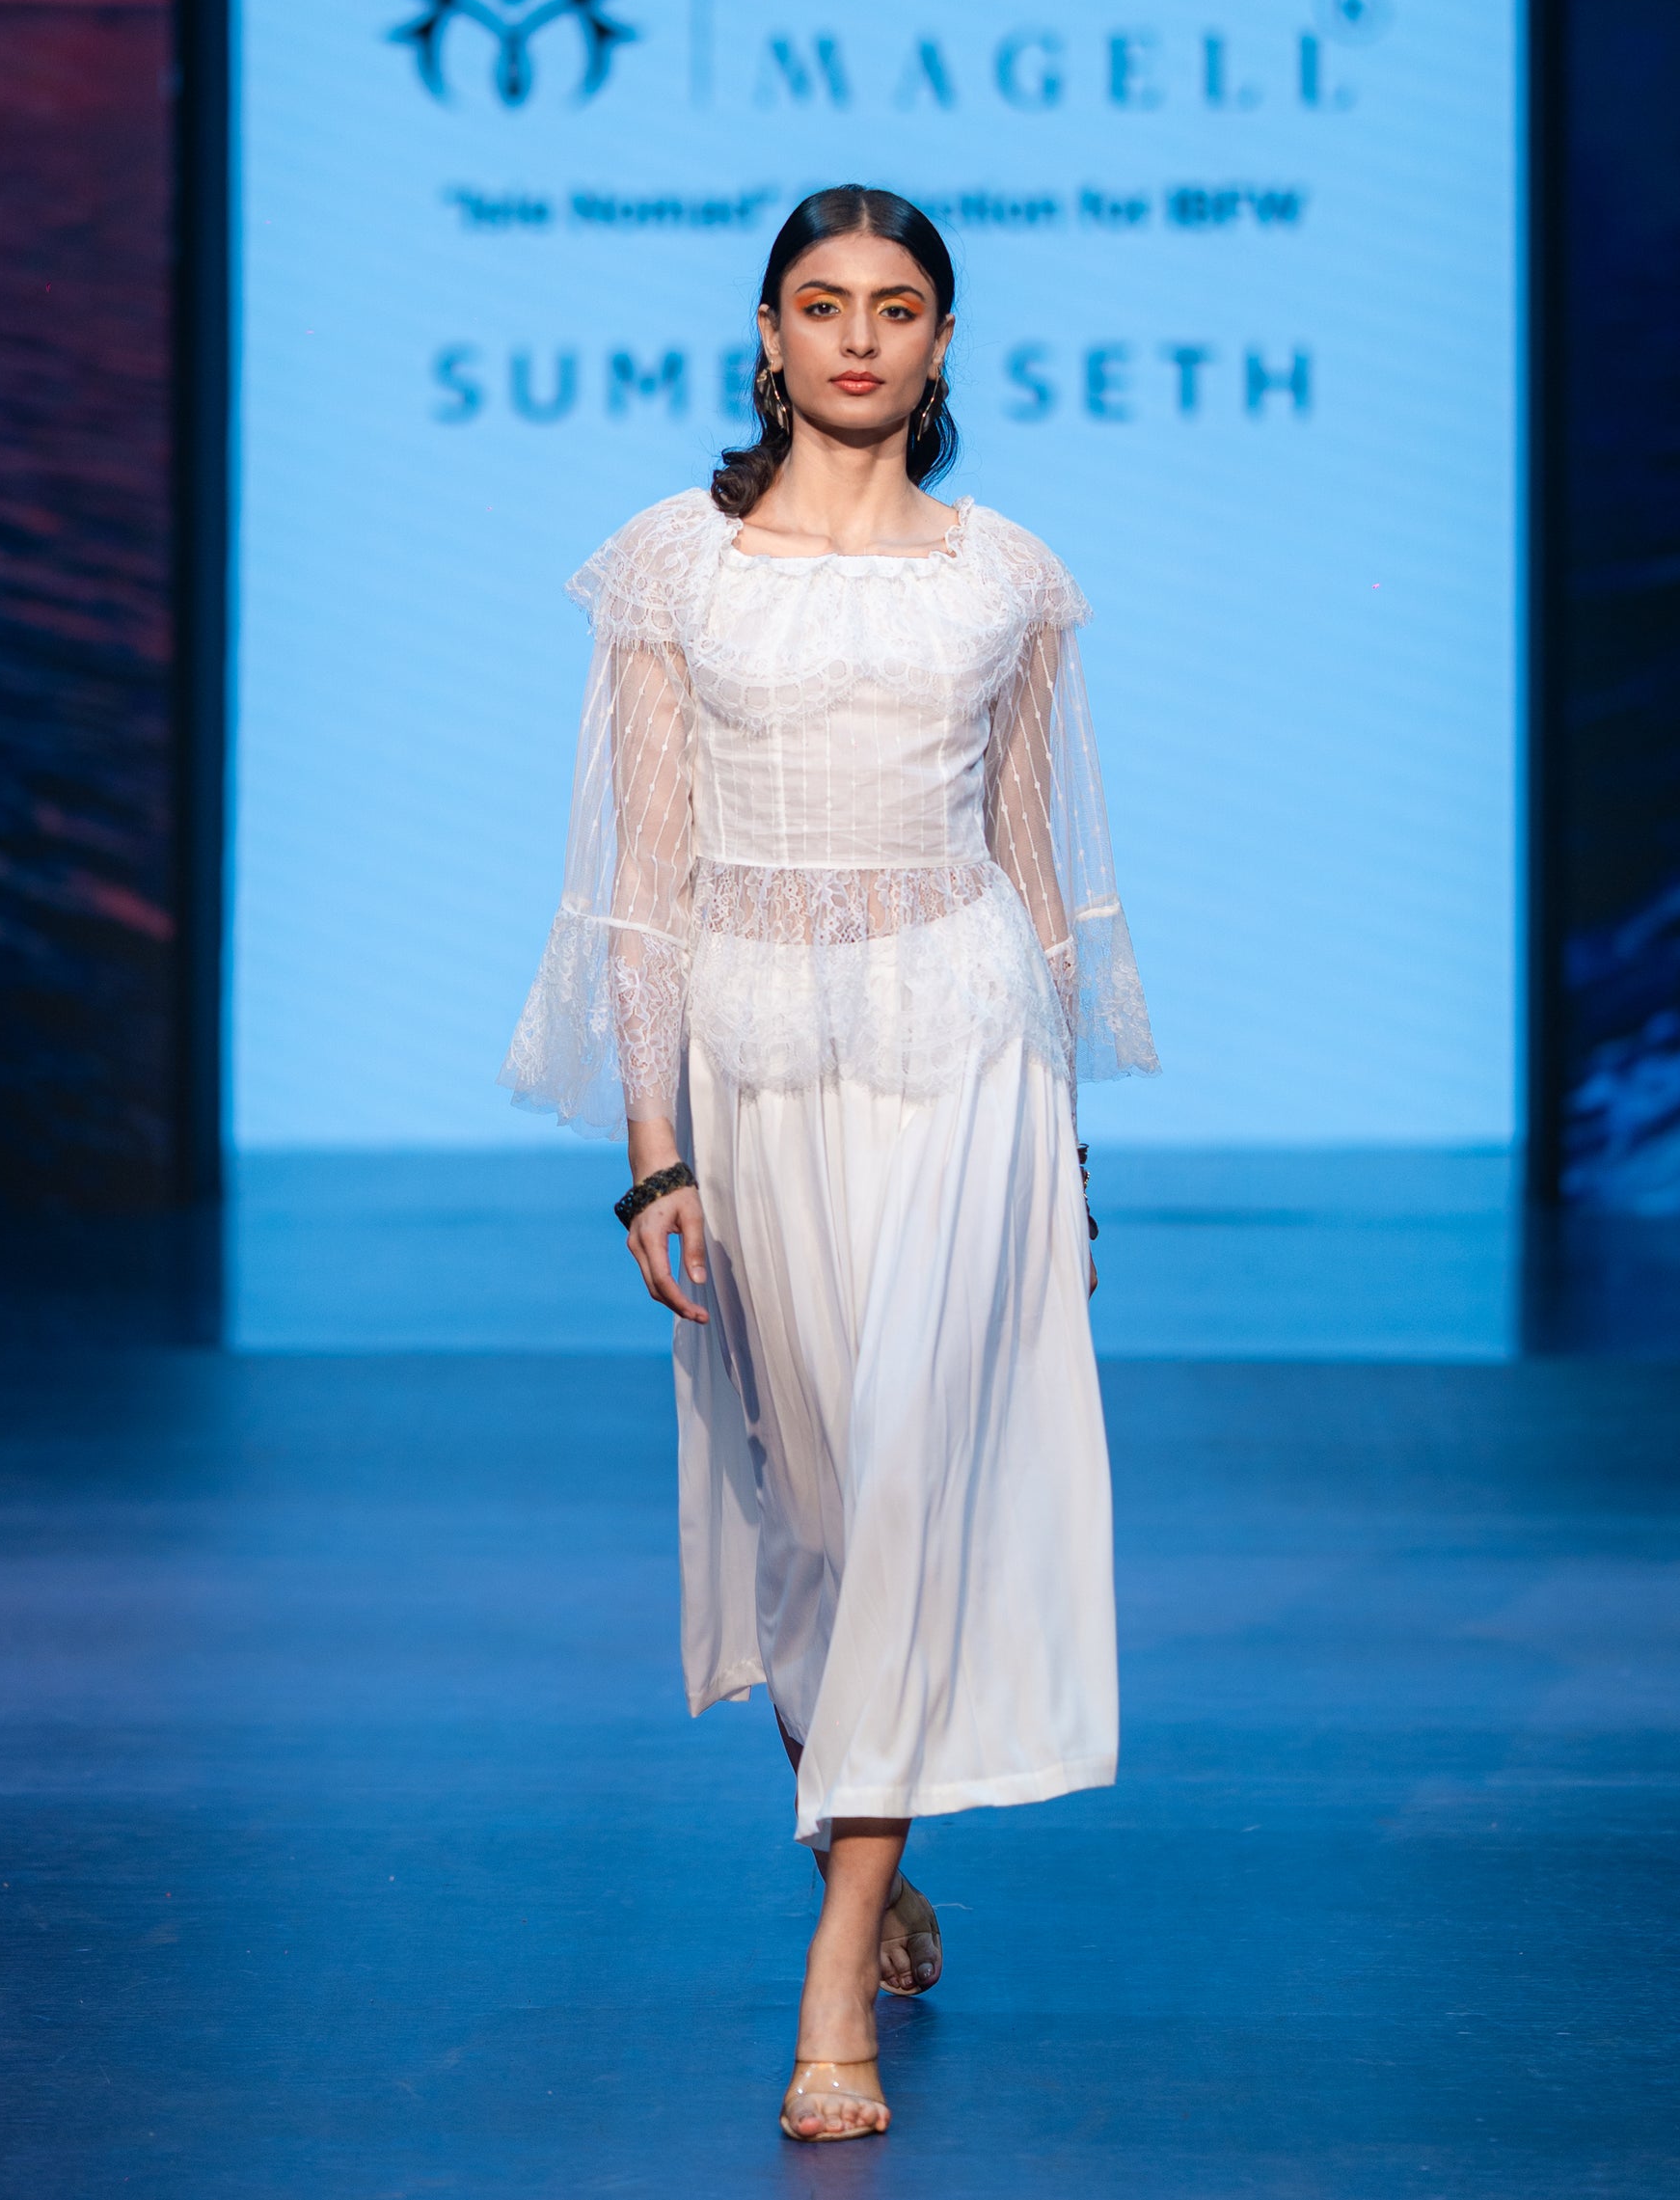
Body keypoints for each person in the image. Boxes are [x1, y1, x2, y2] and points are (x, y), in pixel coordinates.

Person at [501, 184, 1156, 2140]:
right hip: (756, 1064)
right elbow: (641, 885)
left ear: (941, 341)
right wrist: (651, 1156)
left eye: (894, 305)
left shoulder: (1005, 574)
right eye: (821, 301)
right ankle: (862, 1842)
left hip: (965, 1059)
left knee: (906, 1481)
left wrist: (1067, 1150)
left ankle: (832, 1983)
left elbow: (1034, 867)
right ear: (768, 335)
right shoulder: (672, 567)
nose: (857, 336)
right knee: (808, 1515)